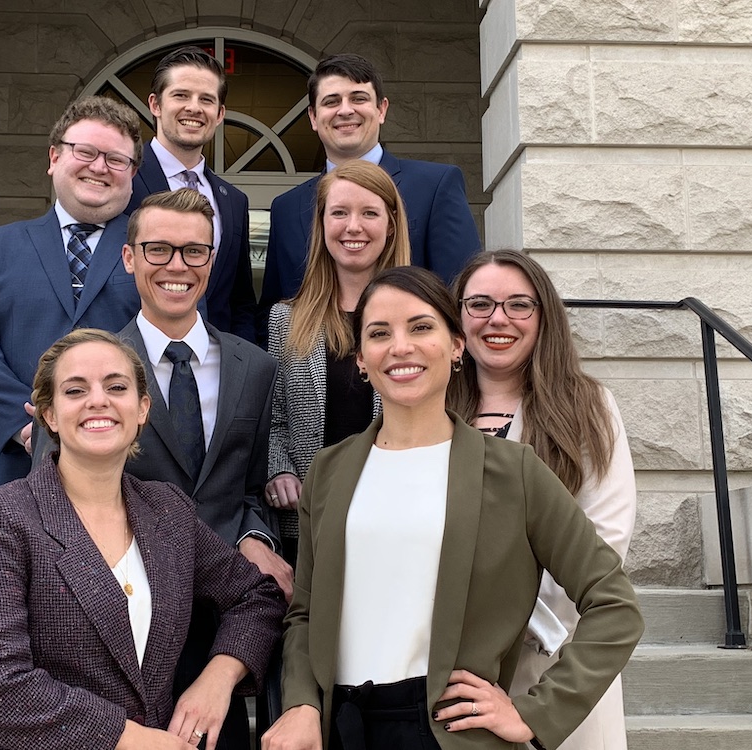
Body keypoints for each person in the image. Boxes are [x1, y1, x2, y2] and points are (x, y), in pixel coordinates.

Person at [262, 266, 643, 750]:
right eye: (379, 333)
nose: (401, 347)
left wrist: (537, 712)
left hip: (449, 731)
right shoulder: (329, 470)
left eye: (421, 327)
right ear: (361, 358)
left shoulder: (513, 471)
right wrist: (300, 701)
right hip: (343, 727)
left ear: (456, 345)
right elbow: (306, 613)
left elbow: (615, 604)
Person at [0, 328, 286, 750]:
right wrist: (130, 738)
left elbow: (256, 596)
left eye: (116, 386)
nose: (98, 400)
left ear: (142, 408)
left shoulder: (168, 512)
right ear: (49, 415)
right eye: (75, 390)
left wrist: (218, 677)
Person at [118, 188, 294, 750]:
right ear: (129, 258)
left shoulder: (256, 367)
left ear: (212, 263)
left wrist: (254, 534)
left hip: (225, 618)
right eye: (159, 249)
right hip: (125, 618)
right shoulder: (91, 364)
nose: (177, 266)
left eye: (194, 252)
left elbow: (252, 486)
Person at [448, 249, 637, 750]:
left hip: (557, 661)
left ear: (543, 316)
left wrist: (509, 621)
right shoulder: (434, 407)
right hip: (456, 667)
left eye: (518, 305)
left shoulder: (587, 405)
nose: (498, 319)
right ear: (458, 318)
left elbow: (606, 537)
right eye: (480, 304)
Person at [0, 96, 143, 507]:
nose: (99, 166)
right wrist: (28, 423)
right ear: (54, 157)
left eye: (115, 159)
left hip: (125, 470)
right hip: (8, 462)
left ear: (133, 173)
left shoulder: (154, 252)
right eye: (85, 151)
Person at [265, 160, 411, 564]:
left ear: (391, 224)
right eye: (340, 213)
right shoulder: (287, 320)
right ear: (322, 224)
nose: (353, 226)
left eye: (369, 213)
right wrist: (279, 471)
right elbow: (275, 419)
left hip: (397, 523)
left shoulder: (421, 320)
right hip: (308, 527)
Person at [260, 53, 480, 317]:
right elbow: (272, 312)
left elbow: (464, 295)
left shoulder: (435, 187)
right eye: (331, 101)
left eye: (358, 98)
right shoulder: (286, 208)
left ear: (382, 109)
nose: (345, 110)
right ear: (313, 117)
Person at [128, 45, 257, 342]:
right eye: (181, 95)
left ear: (220, 113)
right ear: (156, 104)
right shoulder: (125, 180)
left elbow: (241, 301)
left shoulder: (234, 201)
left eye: (206, 100)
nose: (194, 108)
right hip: (137, 361)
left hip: (216, 367)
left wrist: (241, 361)